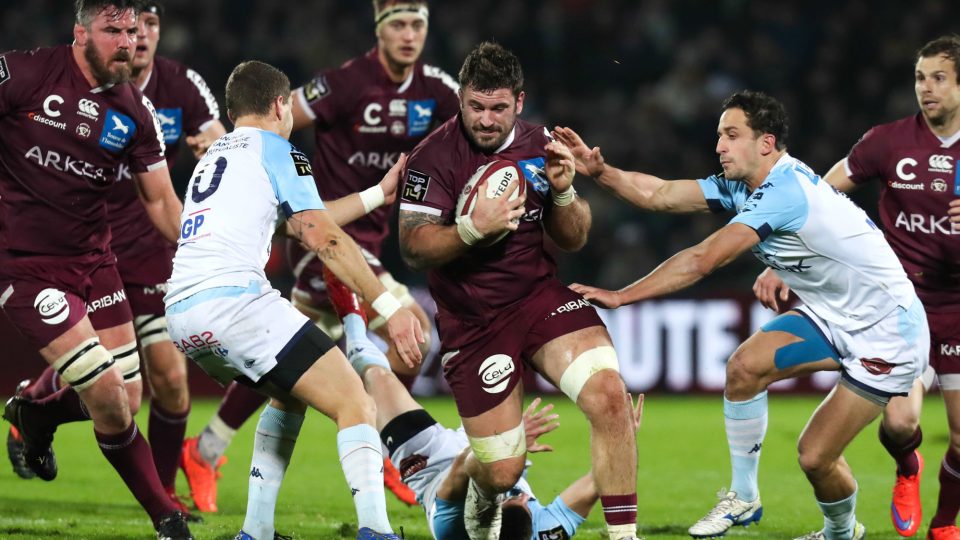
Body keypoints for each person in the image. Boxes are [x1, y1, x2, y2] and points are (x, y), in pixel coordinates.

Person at [562, 90, 928, 540]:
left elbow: (703, 259)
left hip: (888, 331)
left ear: (766, 144)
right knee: (743, 368)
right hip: (836, 315)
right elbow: (660, 194)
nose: (719, 147)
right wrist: (601, 172)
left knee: (815, 457)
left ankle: (841, 531)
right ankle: (744, 496)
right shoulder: (744, 187)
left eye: (731, 136)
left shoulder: (785, 192)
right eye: (719, 136)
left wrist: (623, 295)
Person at [179, 0, 459, 512]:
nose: (408, 34)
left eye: (417, 24)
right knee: (411, 325)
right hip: (328, 245)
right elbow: (272, 121)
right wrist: (235, 140)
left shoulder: (437, 90)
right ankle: (392, 448)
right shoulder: (345, 83)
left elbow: (480, 128)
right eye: (397, 23)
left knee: (282, 366)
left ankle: (207, 448)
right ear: (379, 30)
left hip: (366, 243)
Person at [398, 41, 640, 540]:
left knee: (610, 396)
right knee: (504, 469)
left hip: (537, 298)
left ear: (520, 102)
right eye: (476, 107)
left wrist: (566, 192)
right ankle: (484, 500)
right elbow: (413, 247)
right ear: (461, 99)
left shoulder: (541, 144)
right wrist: (471, 228)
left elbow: (574, 236)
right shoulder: (433, 158)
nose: (486, 120)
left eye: (499, 108)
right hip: (475, 321)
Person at [6, 1, 227, 518]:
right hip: (32, 261)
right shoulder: (25, 72)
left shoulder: (143, 109)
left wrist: (212, 251)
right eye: (116, 30)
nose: (130, 40)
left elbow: (163, 202)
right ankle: (164, 515)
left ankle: (36, 413)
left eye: (138, 28)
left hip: (114, 258)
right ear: (80, 31)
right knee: (106, 385)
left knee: (147, 388)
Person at [751, 35, 960, 540]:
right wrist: (786, 250)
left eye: (938, 78)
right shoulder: (888, 142)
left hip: (958, 306)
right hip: (899, 306)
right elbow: (819, 194)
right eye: (919, 77)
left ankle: (944, 525)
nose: (925, 88)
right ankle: (907, 467)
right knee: (899, 425)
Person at [322, 266, 645, 540]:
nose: (521, 494)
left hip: (428, 460)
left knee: (375, 377)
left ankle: (352, 322)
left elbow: (465, 468)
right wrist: (620, 437)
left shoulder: (451, 526)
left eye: (512, 499)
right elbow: (596, 483)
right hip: (495, 446)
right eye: (524, 498)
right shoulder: (546, 529)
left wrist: (512, 442)